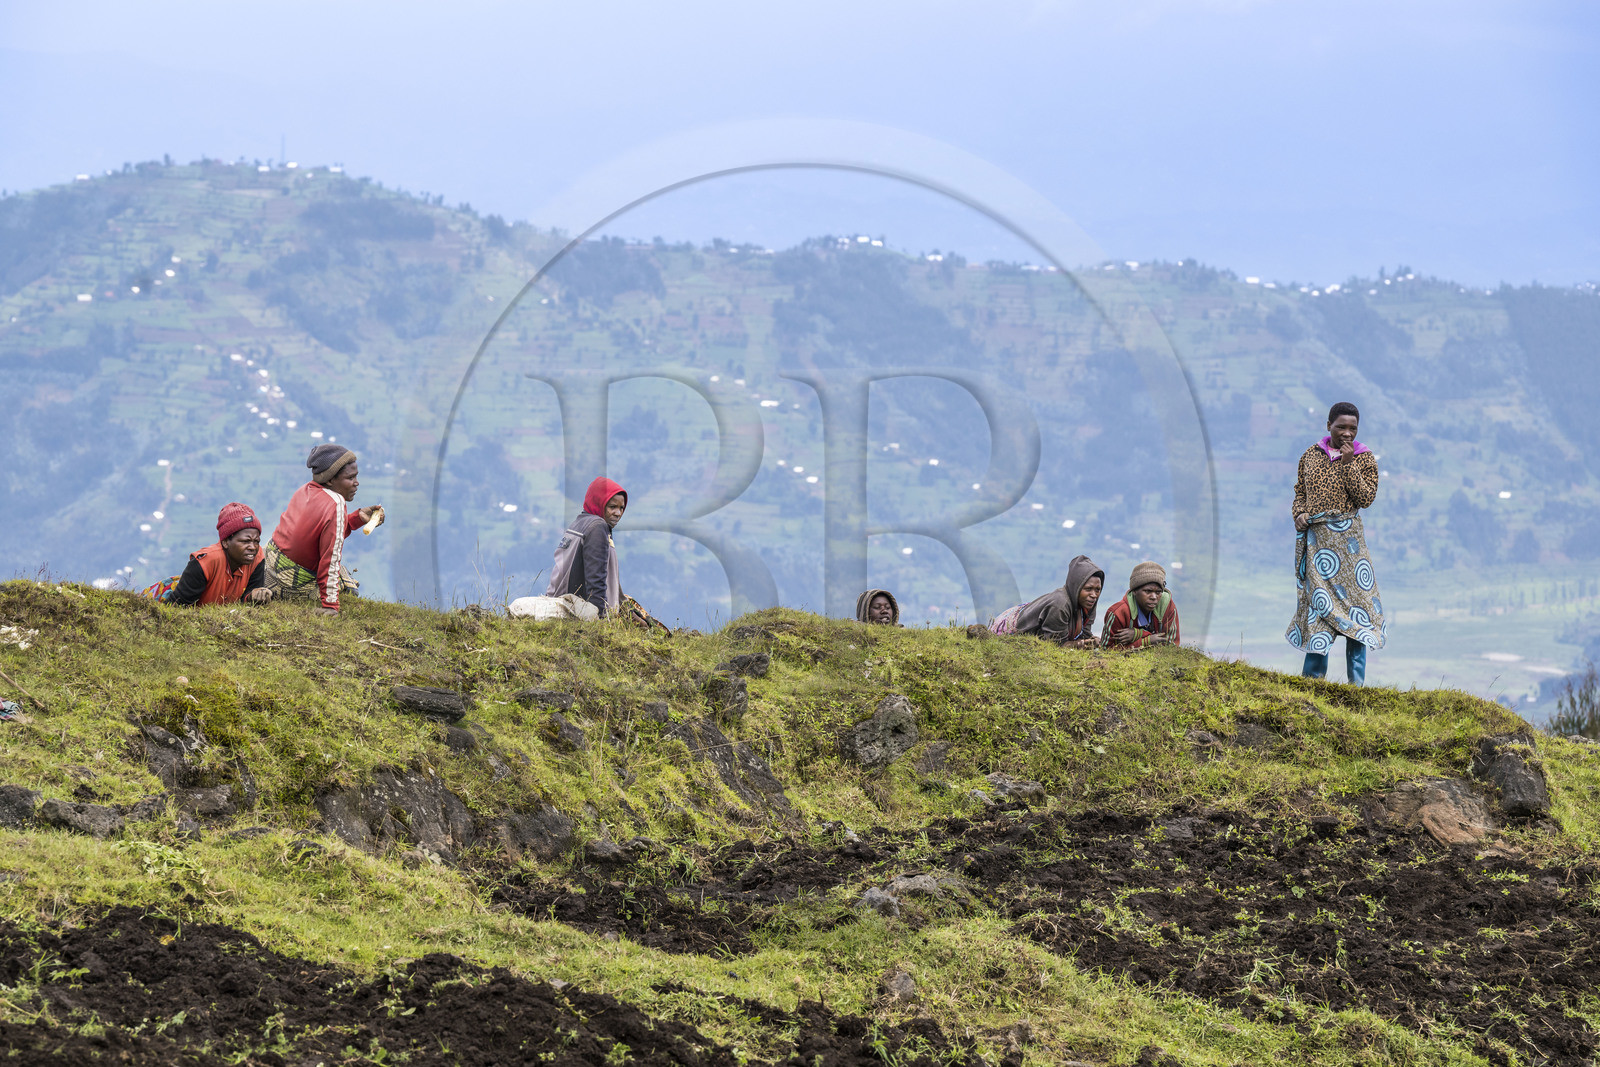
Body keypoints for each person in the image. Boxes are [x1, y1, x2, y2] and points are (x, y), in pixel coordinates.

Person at [1286, 401, 1386, 685]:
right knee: (1320, 607)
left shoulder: (1364, 459)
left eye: (1352, 428)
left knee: (1358, 610)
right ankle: (1311, 683)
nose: (1347, 433)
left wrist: (1349, 465)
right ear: (1328, 425)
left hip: (1350, 548)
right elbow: (1300, 493)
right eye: (1341, 426)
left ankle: (1357, 685)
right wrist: (1300, 514)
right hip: (1318, 544)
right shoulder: (1310, 456)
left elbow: (1365, 499)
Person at [264, 444, 383, 615]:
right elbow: (330, 559)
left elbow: (315, 535)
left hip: (269, 569)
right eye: (350, 478)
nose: (356, 483)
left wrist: (357, 519)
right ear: (330, 479)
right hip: (289, 583)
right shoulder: (336, 503)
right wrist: (330, 606)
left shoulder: (305, 490)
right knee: (348, 584)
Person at [141, 503, 273, 607]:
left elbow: (246, 599)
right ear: (226, 542)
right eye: (245, 541)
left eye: (256, 541)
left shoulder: (257, 558)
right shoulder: (204, 563)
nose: (252, 547)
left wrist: (254, 596)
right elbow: (174, 608)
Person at [544, 477, 627, 618]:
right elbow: (596, 580)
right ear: (599, 503)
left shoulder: (580, 522)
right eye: (612, 507)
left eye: (621, 508)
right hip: (575, 612)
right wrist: (600, 620)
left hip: (557, 602)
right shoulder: (597, 527)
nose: (618, 513)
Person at [989, 555, 1104, 648]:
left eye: (1097, 590)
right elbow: (1054, 646)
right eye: (1088, 589)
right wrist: (1081, 645)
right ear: (1077, 587)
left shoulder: (1087, 604)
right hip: (1010, 631)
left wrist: (1093, 641)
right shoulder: (1060, 605)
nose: (1094, 595)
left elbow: (1084, 633)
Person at [1101, 562, 1180, 648]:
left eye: (1158, 592)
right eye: (1148, 591)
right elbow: (1107, 650)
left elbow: (1171, 646)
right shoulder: (1118, 613)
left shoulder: (1167, 606)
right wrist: (1147, 641)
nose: (1154, 597)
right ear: (1134, 591)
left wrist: (1138, 634)